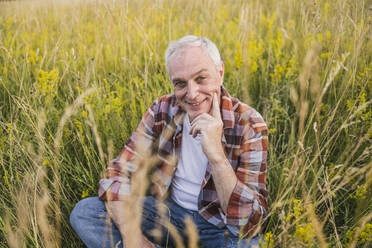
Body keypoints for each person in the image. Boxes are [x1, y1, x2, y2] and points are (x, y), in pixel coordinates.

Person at [70, 35, 268, 248]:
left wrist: (217, 156)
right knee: (86, 212)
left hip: (219, 227)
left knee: (251, 245)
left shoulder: (250, 123)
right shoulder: (162, 109)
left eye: (201, 78)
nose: (192, 94)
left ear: (220, 73)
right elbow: (118, 173)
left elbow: (247, 225)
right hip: (168, 215)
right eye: (180, 83)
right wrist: (133, 238)